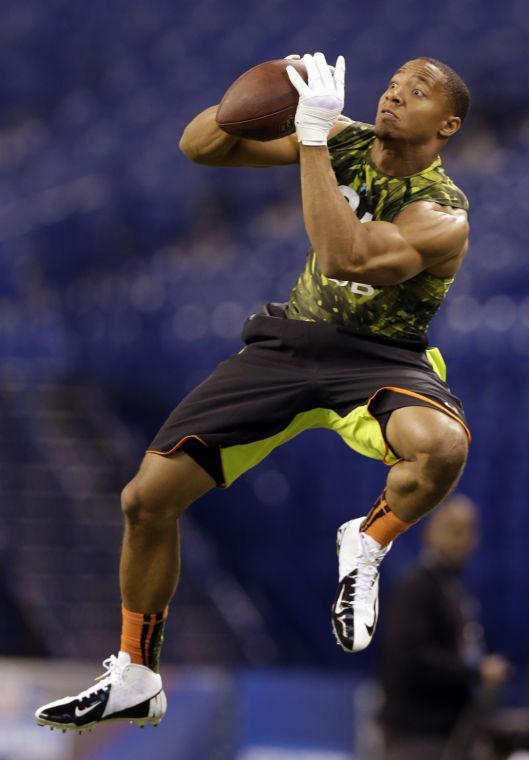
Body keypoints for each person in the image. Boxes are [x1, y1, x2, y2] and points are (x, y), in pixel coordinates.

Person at [35, 52, 473, 731]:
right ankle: (135, 672)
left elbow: (345, 258)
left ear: (444, 125)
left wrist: (311, 137)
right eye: (390, 85)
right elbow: (202, 146)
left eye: (413, 93)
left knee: (441, 447)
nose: (391, 97)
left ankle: (368, 538)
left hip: (378, 359)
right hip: (290, 344)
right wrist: (266, 97)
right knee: (144, 501)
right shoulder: (343, 135)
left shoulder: (441, 213)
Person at [379, 495, 510, 760]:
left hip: (450, 731)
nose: (463, 540)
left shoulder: (453, 588)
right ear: (430, 532)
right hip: (417, 733)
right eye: (454, 530)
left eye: (469, 531)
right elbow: (411, 659)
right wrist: (474, 671)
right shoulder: (416, 587)